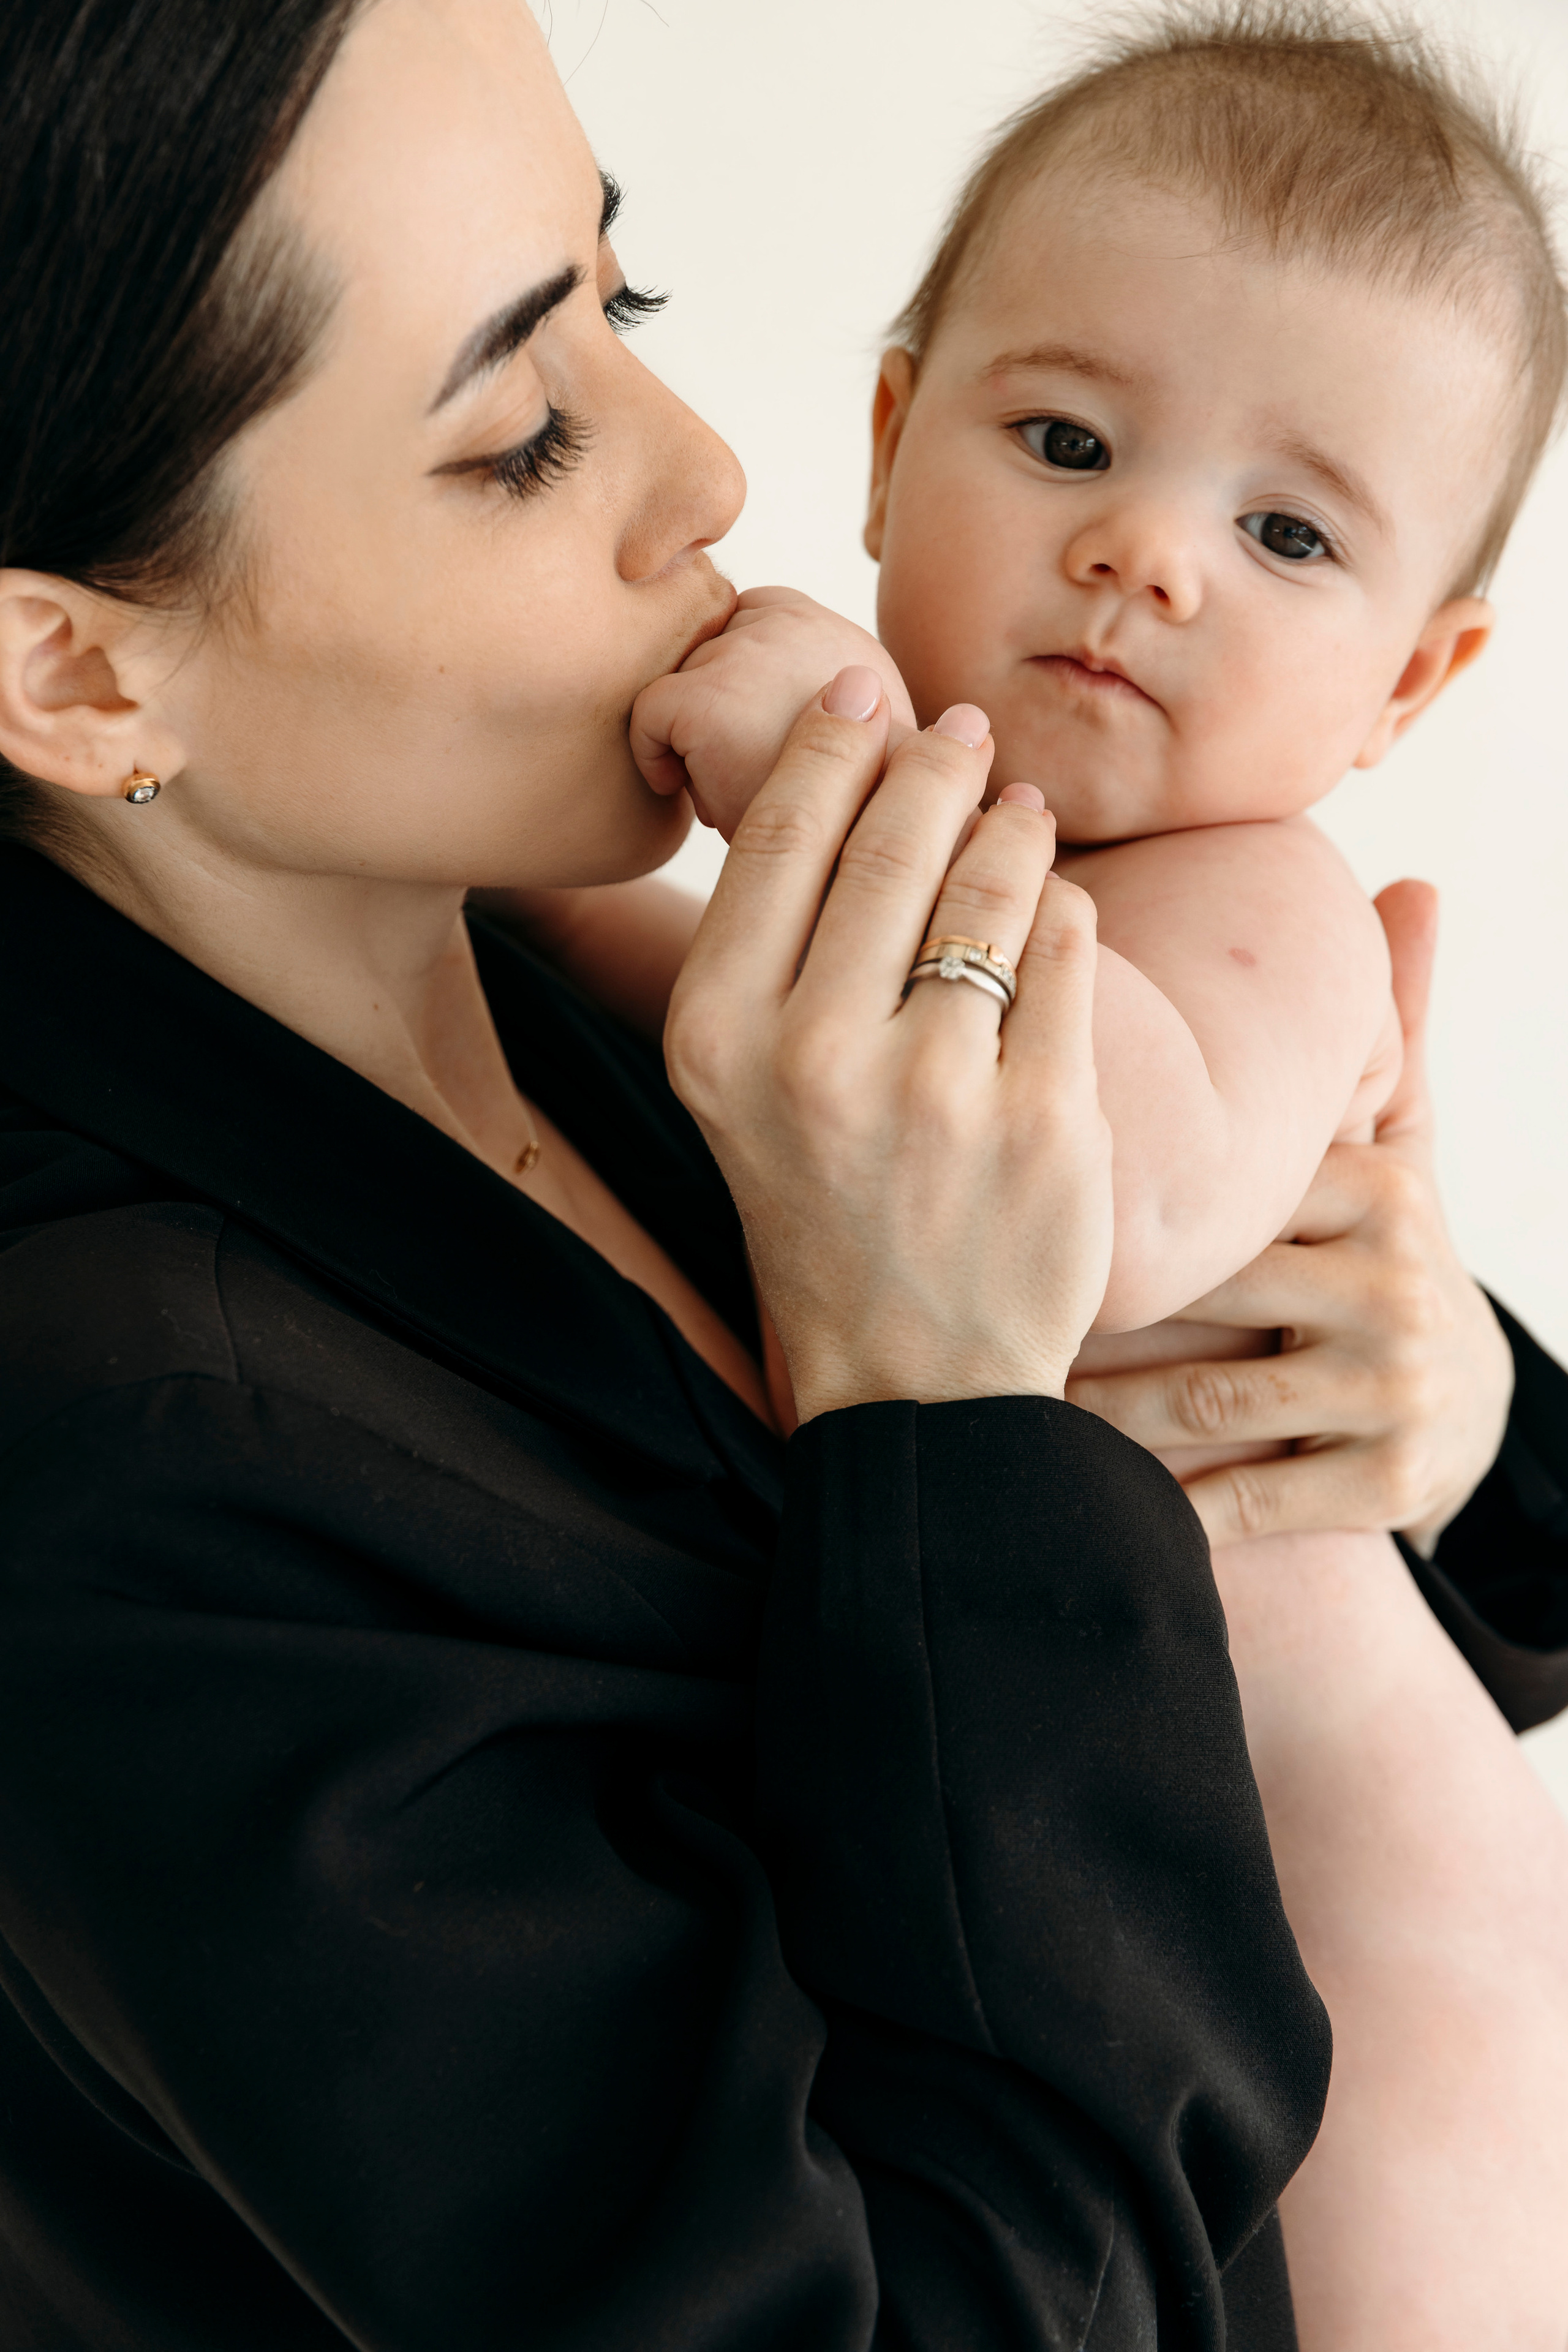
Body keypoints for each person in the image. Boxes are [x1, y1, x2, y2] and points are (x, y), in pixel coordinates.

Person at [0, 9, 1559, 2352]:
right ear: (82, 673)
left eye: (617, 303)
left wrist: (1459, 1414)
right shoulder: (134, 1485)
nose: (714, 472)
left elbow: (1413, 1555)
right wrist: (942, 1413)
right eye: (521, 433)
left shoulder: (490, 949)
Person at [565, 11, 1568, 2345]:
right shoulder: (983, 875)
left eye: (1286, 530)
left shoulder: (1260, 904)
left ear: (1409, 686)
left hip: (1388, 1939)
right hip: (1107, 1885)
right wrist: (508, 887)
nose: (1146, 555)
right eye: (1066, 439)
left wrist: (827, 765)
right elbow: (728, 1024)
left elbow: (1086, 1200)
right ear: (899, 441)